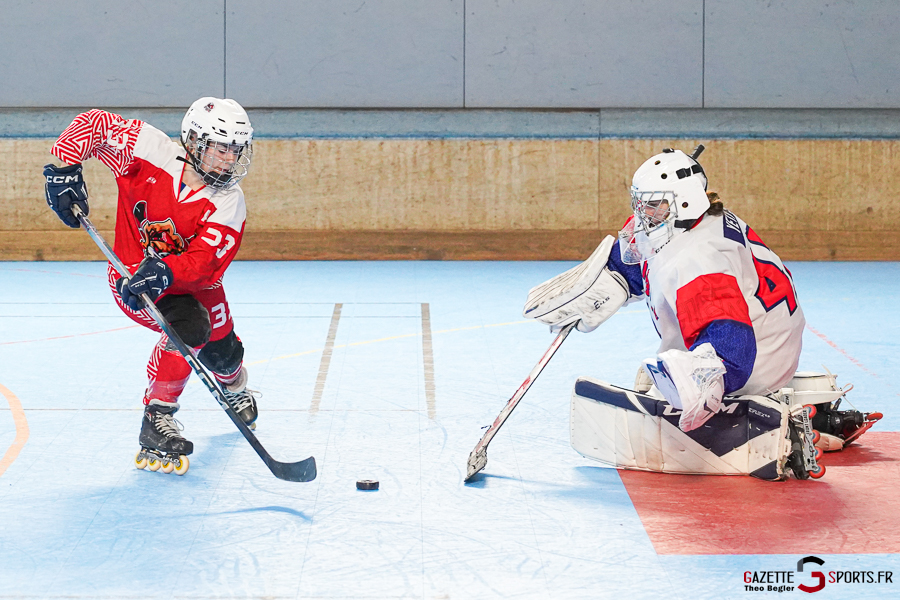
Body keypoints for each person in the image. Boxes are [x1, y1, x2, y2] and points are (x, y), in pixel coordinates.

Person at [524, 146, 878, 480]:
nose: (643, 214)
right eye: (642, 204)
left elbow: (732, 341)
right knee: (665, 374)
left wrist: (706, 382)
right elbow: (646, 259)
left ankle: (781, 435)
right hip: (771, 336)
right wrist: (607, 280)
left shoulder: (699, 259)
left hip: (751, 359)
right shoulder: (690, 223)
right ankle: (804, 413)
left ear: (684, 202)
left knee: (674, 384)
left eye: (654, 205)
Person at [43, 98, 259, 474]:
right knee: (190, 330)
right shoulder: (148, 150)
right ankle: (158, 416)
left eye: (236, 150)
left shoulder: (229, 201)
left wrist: (167, 271)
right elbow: (93, 124)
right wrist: (66, 166)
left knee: (224, 355)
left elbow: (206, 263)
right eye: (221, 148)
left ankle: (236, 386)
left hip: (191, 283)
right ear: (194, 142)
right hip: (133, 279)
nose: (229, 160)